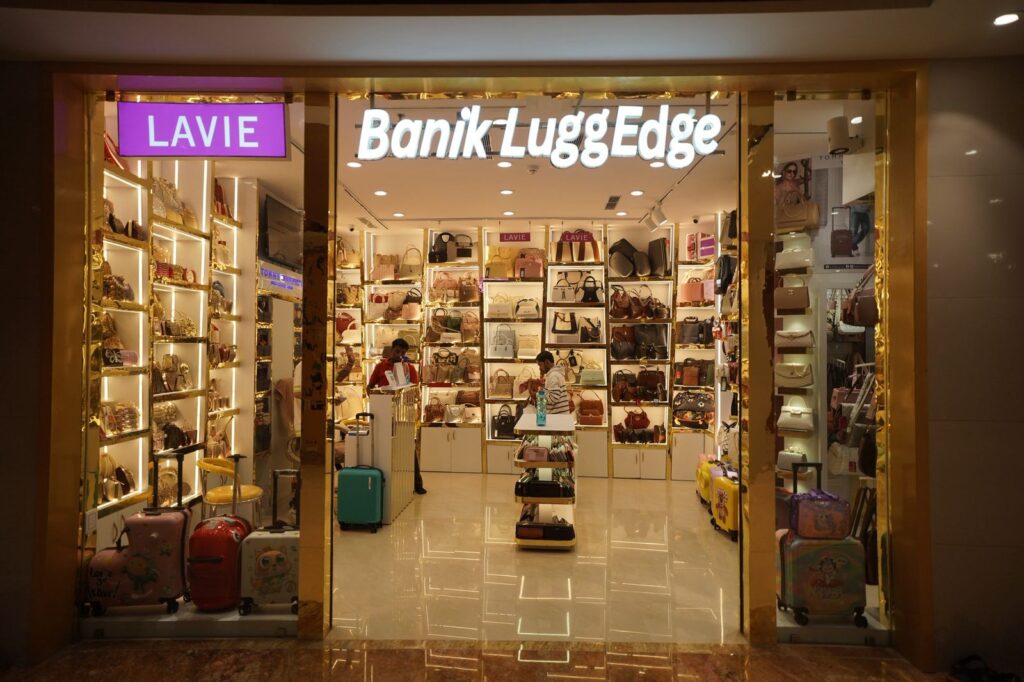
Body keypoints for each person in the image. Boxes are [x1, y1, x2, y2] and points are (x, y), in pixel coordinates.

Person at [367, 339, 426, 495]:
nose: (399, 355)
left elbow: (414, 391)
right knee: (383, 447)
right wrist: (377, 397)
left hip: (402, 414)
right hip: (383, 413)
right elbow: (370, 387)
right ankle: (381, 482)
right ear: (391, 350)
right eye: (397, 351)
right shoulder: (380, 367)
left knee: (407, 446)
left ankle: (417, 484)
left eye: (403, 353)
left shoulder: (409, 368)